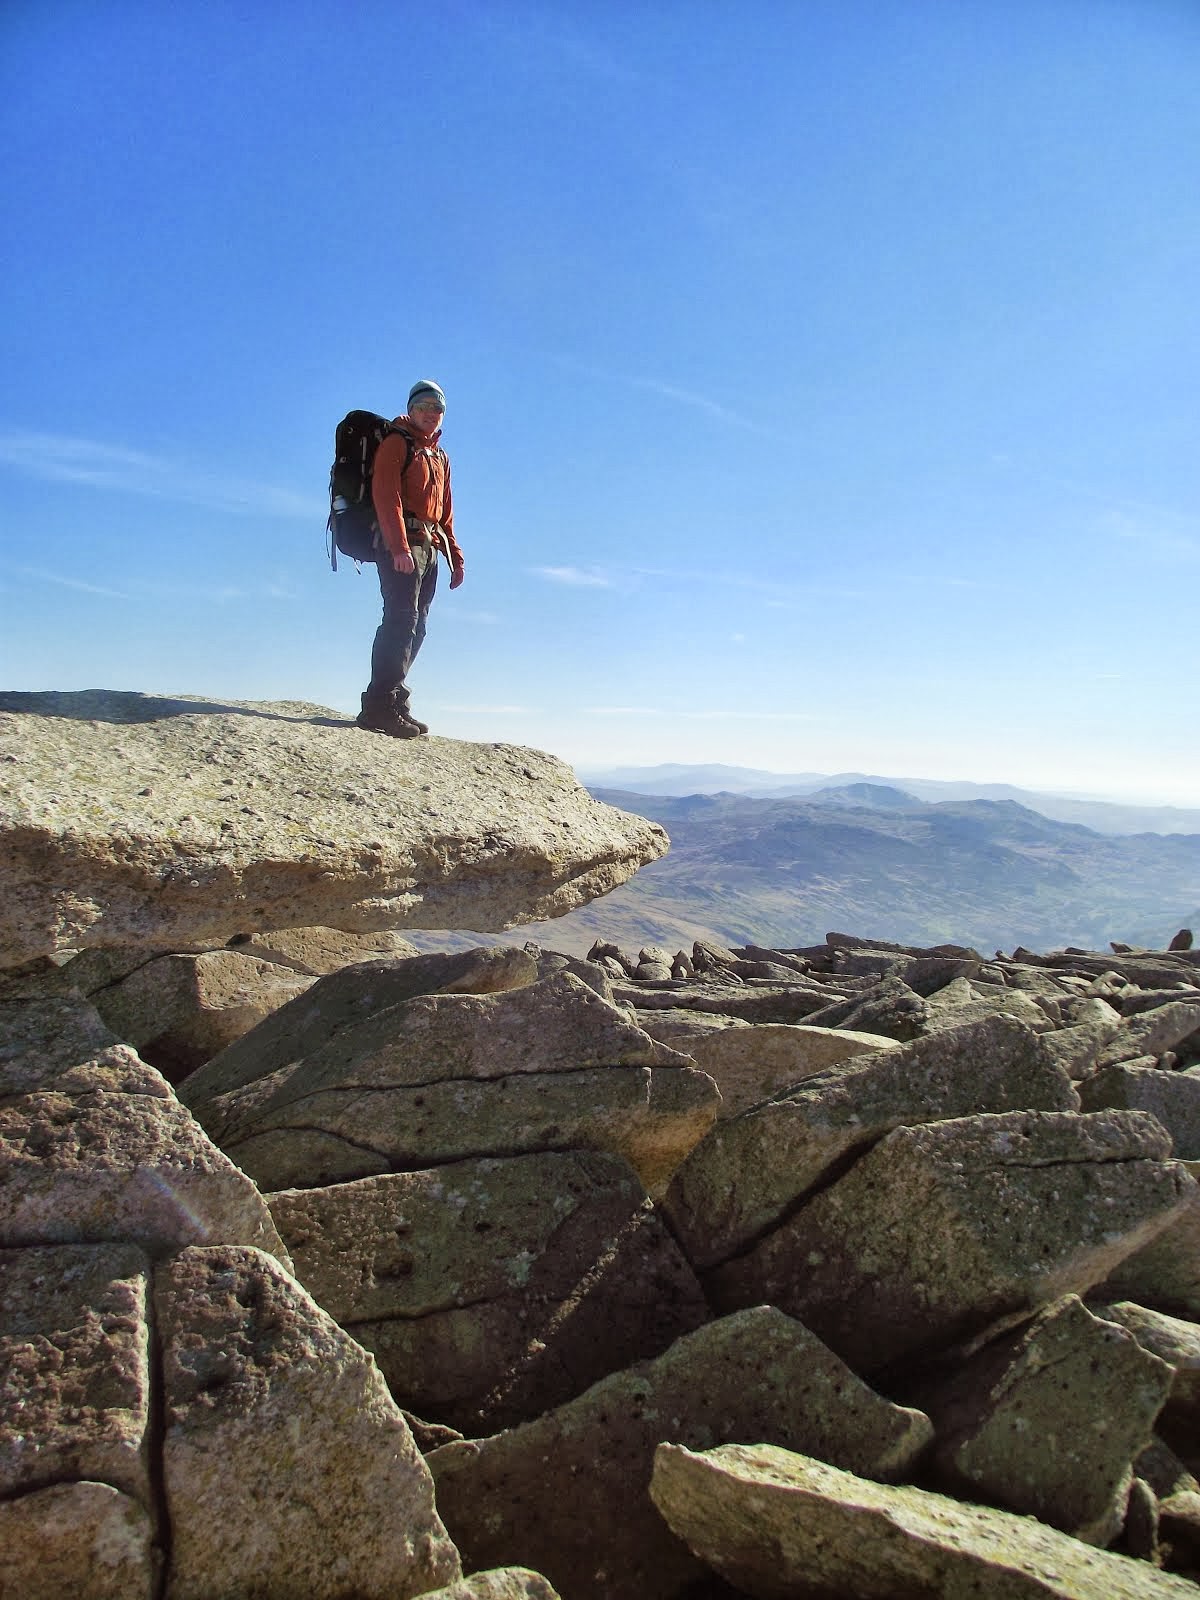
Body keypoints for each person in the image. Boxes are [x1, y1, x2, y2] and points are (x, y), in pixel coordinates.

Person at [356, 379, 465, 737]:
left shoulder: (439, 456)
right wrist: (399, 547)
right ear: (411, 408)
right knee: (401, 620)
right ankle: (378, 704)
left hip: (430, 546)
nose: (431, 414)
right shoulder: (396, 443)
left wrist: (455, 556)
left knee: (417, 625)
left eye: (438, 408)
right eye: (424, 407)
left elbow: (444, 511)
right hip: (401, 544)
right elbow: (387, 497)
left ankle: (394, 697)